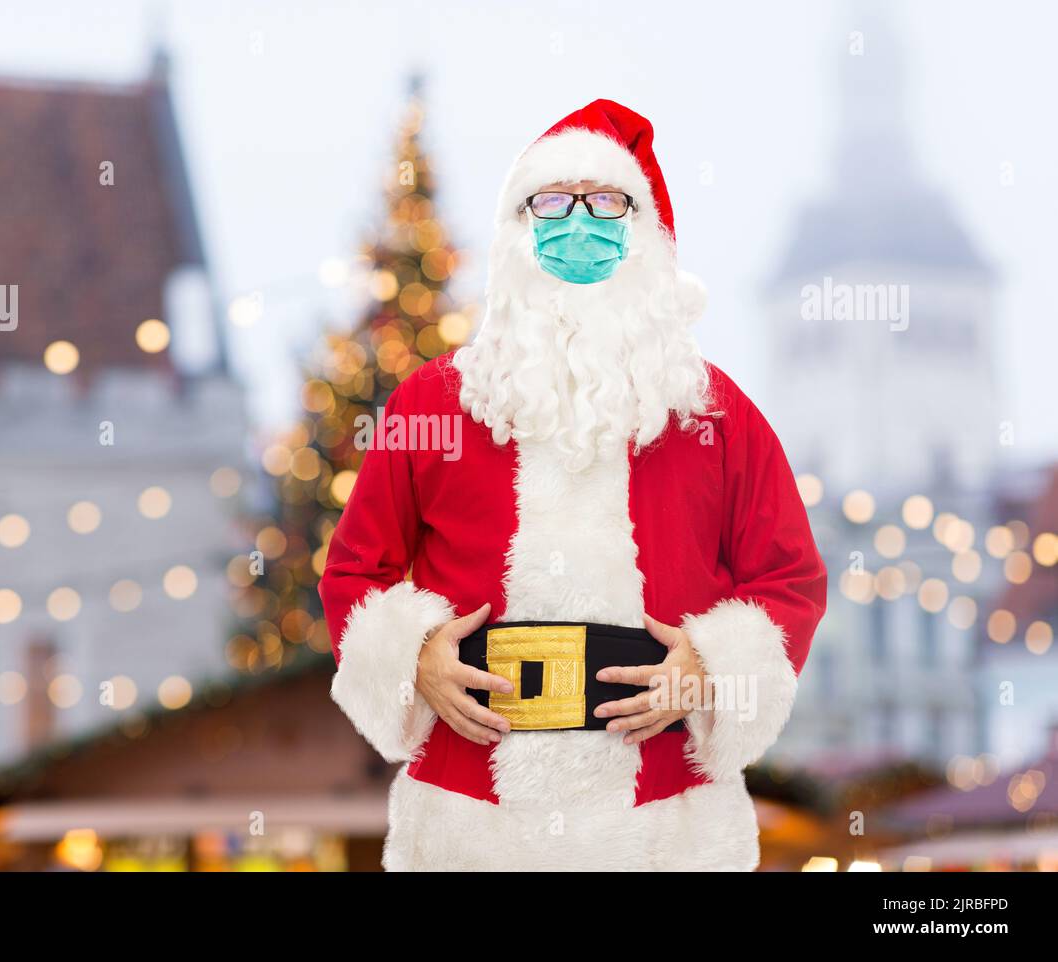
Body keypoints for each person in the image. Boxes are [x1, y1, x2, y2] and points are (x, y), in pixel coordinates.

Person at [319, 99, 827, 871]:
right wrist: (412, 656)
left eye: (608, 202)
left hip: (666, 824)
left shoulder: (716, 415)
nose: (578, 224)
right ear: (516, 232)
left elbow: (789, 578)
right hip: (471, 825)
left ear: (648, 234)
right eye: (552, 202)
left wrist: (712, 666)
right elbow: (357, 570)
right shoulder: (430, 406)